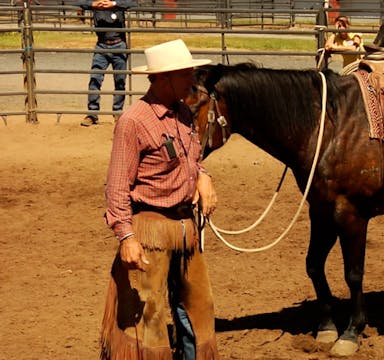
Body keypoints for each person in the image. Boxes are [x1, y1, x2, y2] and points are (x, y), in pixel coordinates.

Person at [100, 39, 219, 359]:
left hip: (185, 229)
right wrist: (126, 237)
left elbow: (189, 159)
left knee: (198, 306)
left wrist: (203, 175)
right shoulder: (134, 122)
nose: (192, 80)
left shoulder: (184, 113)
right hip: (149, 228)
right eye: (185, 74)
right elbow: (116, 186)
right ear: (163, 78)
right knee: (147, 314)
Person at [78, 0, 137, 126]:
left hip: (119, 44)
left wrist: (115, 4)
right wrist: (92, 4)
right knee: (95, 79)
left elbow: (133, 3)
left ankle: (117, 113)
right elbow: (78, 2)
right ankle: (92, 114)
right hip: (101, 46)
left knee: (120, 81)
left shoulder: (117, 3)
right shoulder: (96, 2)